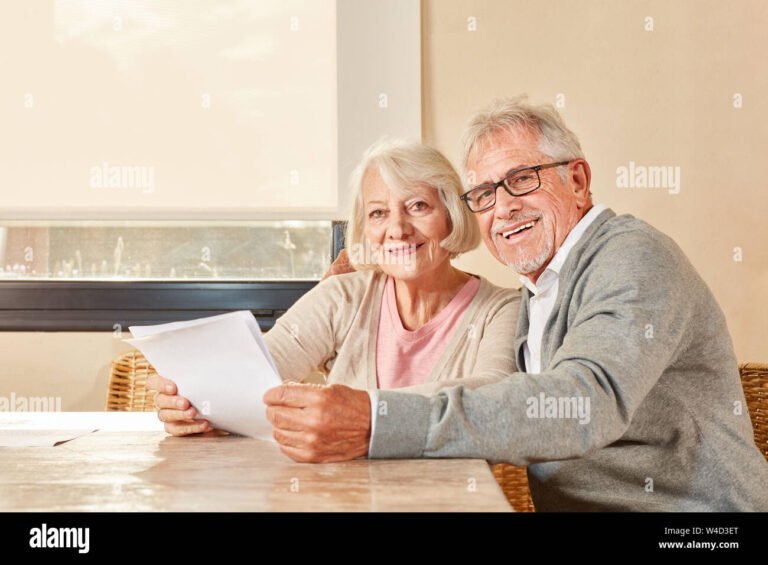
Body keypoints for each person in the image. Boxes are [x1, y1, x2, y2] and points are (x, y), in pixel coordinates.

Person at [261, 97, 768, 511]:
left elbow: (582, 404)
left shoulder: (633, 257)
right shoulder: (537, 291)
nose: (503, 207)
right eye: (483, 193)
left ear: (577, 180)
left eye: (522, 179)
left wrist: (378, 418)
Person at [148, 139, 520, 447]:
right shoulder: (342, 296)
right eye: (378, 213)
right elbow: (250, 376)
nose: (397, 229)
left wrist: (362, 412)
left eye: (417, 206)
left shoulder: (501, 308)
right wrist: (186, 401)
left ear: (452, 214)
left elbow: (489, 401)